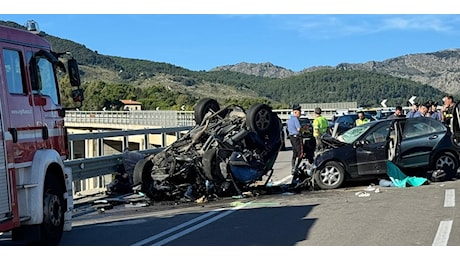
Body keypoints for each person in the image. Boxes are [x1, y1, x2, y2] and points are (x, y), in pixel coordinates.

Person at [287, 104, 303, 174]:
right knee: (300, 153)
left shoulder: (289, 120)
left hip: (291, 137)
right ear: (295, 112)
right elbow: (299, 129)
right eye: (299, 112)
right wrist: (305, 130)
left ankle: (293, 167)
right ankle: (296, 167)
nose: (300, 114)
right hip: (297, 137)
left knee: (294, 152)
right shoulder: (295, 119)